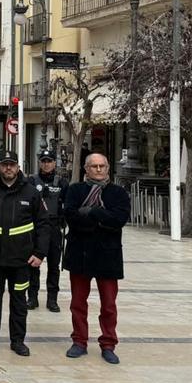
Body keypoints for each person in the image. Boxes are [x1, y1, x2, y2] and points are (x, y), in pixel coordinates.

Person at [0, 150, 50, 357]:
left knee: (19, 301)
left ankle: (18, 341)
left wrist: (40, 253)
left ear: (18, 167)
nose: (8, 168)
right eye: (4, 164)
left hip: (21, 260)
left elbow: (43, 224)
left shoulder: (31, 193)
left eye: (12, 165)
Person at [62, 153, 130, 364]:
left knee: (108, 304)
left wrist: (92, 212)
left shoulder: (118, 193)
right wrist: (102, 218)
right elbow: (71, 217)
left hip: (107, 255)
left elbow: (119, 220)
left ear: (108, 168)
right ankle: (79, 341)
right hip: (80, 253)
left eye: (102, 166)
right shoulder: (75, 191)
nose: (99, 170)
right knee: (78, 302)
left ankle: (108, 343)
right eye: (94, 166)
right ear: (86, 169)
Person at [28, 150, 66, 312]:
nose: (46, 164)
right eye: (43, 161)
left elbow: (67, 205)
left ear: (54, 163)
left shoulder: (62, 183)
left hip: (54, 227)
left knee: (53, 266)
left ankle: (52, 299)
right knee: (33, 264)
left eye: (49, 161)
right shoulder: (31, 181)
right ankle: (32, 297)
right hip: (35, 228)